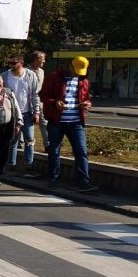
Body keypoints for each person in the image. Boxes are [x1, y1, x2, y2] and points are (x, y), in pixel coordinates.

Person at [40, 56, 97, 193]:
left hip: (76, 122)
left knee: (81, 151)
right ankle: (53, 179)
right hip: (57, 121)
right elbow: (43, 95)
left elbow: (87, 98)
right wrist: (55, 102)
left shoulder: (83, 80)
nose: (78, 74)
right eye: (76, 70)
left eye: (80, 72)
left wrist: (87, 104)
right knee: (54, 151)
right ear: (69, 66)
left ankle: (84, 182)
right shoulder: (54, 77)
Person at [1, 55, 41, 176]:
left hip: (27, 112)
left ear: (21, 63)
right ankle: (11, 165)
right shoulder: (5, 76)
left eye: (14, 63)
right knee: (13, 139)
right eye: (10, 63)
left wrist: (36, 111)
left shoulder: (30, 75)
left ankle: (29, 165)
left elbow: (35, 94)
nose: (11, 65)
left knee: (29, 139)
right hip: (12, 113)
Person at [27, 51, 48, 149]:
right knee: (26, 123)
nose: (44, 61)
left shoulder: (42, 71)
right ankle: (22, 144)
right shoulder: (25, 71)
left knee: (43, 122)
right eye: (42, 59)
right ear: (35, 60)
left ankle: (48, 145)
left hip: (39, 101)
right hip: (26, 102)